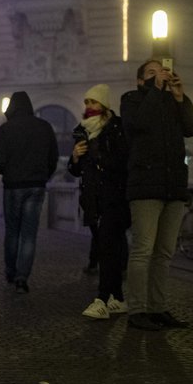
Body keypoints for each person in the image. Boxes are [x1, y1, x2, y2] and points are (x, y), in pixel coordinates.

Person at [121, 60, 193, 330]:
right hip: (145, 184)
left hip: (173, 185)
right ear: (140, 80)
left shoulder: (173, 101)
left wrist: (180, 98)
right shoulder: (131, 100)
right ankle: (137, 310)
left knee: (164, 252)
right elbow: (139, 124)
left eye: (162, 71)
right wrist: (156, 90)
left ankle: (157, 308)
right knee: (143, 249)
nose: (160, 75)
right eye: (151, 72)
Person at [67, 84, 131, 320]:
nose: (89, 107)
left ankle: (102, 299)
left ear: (103, 105)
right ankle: (119, 298)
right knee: (108, 248)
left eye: (93, 102)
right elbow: (75, 171)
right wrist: (75, 157)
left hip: (114, 195)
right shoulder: (81, 130)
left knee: (107, 247)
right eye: (86, 103)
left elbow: (122, 160)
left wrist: (97, 154)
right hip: (92, 199)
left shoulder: (116, 127)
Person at [0, 91, 59, 294]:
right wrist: (43, 175)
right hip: (36, 185)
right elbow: (53, 157)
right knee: (29, 234)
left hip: (13, 186)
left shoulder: (6, 129)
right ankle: (22, 278)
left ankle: (10, 271)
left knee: (12, 231)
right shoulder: (44, 127)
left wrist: (8, 171)